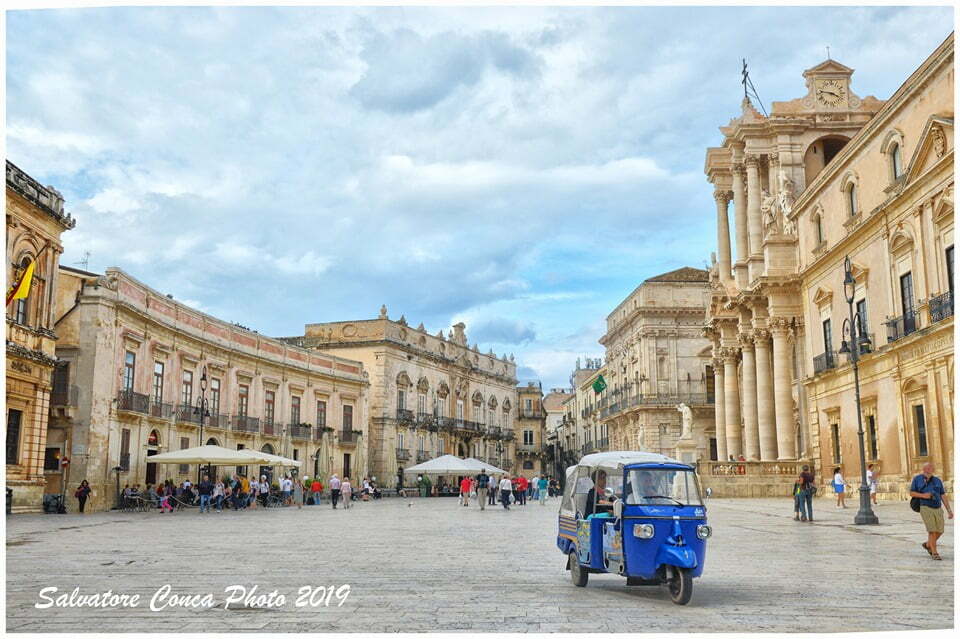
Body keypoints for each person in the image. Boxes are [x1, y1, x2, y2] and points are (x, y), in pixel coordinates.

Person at [910, 462, 953, 561]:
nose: (930, 469)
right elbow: (912, 493)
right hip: (925, 507)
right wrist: (923, 495)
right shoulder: (917, 479)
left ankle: (928, 544)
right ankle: (934, 552)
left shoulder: (937, 480)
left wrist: (949, 510)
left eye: (931, 467)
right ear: (924, 469)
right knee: (932, 531)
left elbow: (943, 495)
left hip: (937, 507)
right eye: (928, 467)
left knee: (940, 530)